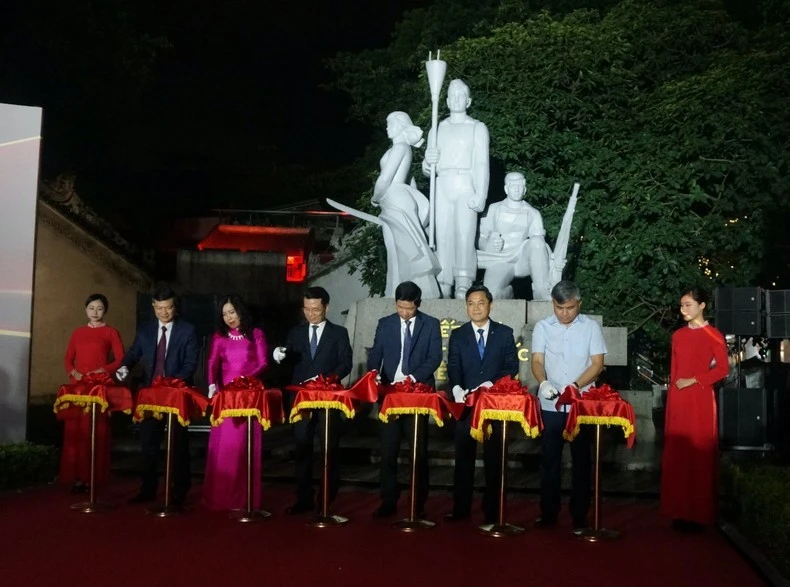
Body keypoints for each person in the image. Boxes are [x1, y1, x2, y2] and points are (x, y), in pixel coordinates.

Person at [531, 280, 606, 535]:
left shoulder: (591, 327)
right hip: (551, 404)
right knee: (549, 460)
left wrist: (575, 385)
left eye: (570, 308)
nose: (564, 313)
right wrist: (542, 383)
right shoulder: (542, 327)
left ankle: (579, 515)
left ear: (579, 304)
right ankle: (549, 512)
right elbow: (538, 360)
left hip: (581, 404)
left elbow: (597, 364)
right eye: (559, 307)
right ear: (553, 303)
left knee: (581, 461)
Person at [117, 285, 199, 505]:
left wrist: (173, 384)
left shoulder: (188, 330)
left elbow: (191, 364)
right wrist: (124, 366)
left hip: (175, 395)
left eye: (169, 308)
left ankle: (179, 491)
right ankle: (148, 489)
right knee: (148, 444)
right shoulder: (145, 329)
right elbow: (134, 353)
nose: (164, 312)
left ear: (175, 306)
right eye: (160, 308)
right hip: (150, 396)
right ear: (153, 306)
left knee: (179, 445)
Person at [366, 281, 443, 518]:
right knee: (388, 451)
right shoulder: (385, 324)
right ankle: (388, 501)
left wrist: (411, 378)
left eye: (408, 308)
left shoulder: (430, 324)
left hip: (417, 393)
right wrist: (374, 373)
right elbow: (376, 353)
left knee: (418, 451)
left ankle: (418, 502)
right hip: (390, 395)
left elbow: (434, 358)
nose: (404, 312)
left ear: (417, 305)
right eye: (400, 307)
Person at [273, 286, 352, 514]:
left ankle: (327, 498)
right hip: (302, 400)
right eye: (307, 309)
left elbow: (345, 362)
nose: (311, 314)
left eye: (316, 309)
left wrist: (325, 380)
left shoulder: (338, 333)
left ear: (327, 307)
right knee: (302, 447)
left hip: (328, 398)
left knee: (329, 449)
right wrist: (277, 355)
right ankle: (303, 498)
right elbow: (287, 356)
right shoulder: (296, 333)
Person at [445, 284, 519, 524]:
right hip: (466, 407)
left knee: (494, 460)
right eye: (471, 304)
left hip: (495, 407)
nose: (476, 308)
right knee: (463, 460)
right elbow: (453, 365)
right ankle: (461, 509)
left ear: (490, 305)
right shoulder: (458, 334)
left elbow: (511, 368)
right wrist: (455, 387)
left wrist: (491, 383)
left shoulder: (505, 333)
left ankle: (492, 511)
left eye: (480, 303)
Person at [661, 287, 728, 531]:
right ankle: (678, 511)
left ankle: (699, 515)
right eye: (681, 305)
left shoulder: (714, 335)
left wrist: (695, 380)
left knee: (699, 453)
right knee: (677, 453)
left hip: (700, 398)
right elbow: (674, 369)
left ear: (702, 306)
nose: (683, 310)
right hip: (678, 399)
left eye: (688, 305)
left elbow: (722, 369)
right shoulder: (678, 335)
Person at [423, 79, 490, 299]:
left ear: (468, 101)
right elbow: (427, 168)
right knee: (442, 235)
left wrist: (480, 193)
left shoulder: (477, 127)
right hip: (443, 184)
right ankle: (443, 282)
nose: (457, 99)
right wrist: (428, 162)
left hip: (465, 183)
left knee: (464, 234)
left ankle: (463, 281)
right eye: (453, 95)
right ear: (447, 100)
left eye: (462, 95)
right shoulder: (438, 127)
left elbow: (481, 164)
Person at [202, 294, 269, 510]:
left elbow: (263, 362)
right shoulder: (219, 337)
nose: (229, 317)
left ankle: (243, 499)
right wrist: (212, 384)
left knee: (244, 448)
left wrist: (245, 380)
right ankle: (220, 498)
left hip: (249, 397)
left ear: (241, 311)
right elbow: (212, 362)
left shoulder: (256, 334)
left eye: (232, 312)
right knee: (224, 448)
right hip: (226, 400)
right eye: (224, 314)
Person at [372, 111, 441, 299]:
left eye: (390, 123)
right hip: (398, 198)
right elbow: (411, 184)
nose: (387, 127)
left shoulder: (400, 147)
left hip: (394, 197)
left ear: (401, 125)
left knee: (404, 247)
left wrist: (375, 197)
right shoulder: (404, 149)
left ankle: (419, 290)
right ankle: (395, 289)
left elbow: (385, 178)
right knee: (397, 246)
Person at [60, 293, 124, 493]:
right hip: (79, 389)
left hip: (99, 388)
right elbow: (68, 359)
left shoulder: (111, 332)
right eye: (91, 308)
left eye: (99, 308)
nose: (95, 312)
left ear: (105, 310)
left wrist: (104, 370)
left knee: (96, 432)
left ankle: (92, 478)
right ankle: (77, 478)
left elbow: (121, 359)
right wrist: (74, 373)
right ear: (85, 309)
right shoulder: (77, 332)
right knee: (75, 433)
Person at [477, 172, 553, 300]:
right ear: (506, 189)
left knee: (537, 241)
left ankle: (542, 291)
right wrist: (487, 245)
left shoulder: (533, 213)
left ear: (525, 189)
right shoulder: (494, 209)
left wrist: (552, 258)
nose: (517, 189)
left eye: (520, 186)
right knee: (491, 294)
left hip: (521, 259)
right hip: (499, 259)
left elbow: (540, 245)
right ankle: (508, 294)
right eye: (513, 186)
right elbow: (480, 238)